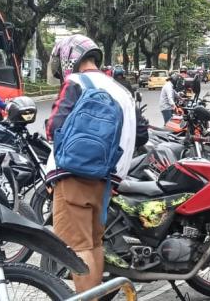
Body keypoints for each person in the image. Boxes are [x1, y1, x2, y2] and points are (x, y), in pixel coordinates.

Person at [46, 34, 141, 291]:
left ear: (69, 58)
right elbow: (135, 135)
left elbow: (53, 127)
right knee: (95, 244)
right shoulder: (122, 89)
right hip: (108, 179)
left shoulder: (76, 82)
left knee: (78, 247)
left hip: (73, 175)